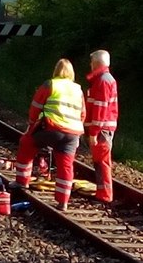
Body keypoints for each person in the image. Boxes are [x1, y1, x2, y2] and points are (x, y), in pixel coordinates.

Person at [11, 59, 86, 211]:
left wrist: (32, 124)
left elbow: (36, 107)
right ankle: (63, 201)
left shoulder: (50, 84)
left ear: (56, 71)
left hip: (52, 128)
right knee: (66, 165)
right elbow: (83, 114)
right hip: (72, 133)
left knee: (27, 143)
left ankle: (22, 181)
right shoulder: (78, 89)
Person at [85, 50, 118, 204]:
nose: (90, 65)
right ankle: (102, 192)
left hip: (102, 129)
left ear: (97, 63)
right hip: (104, 127)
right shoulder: (103, 79)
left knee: (102, 162)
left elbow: (100, 108)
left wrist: (93, 132)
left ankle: (105, 195)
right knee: (100, 161)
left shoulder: (103, 81)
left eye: (92, 62)